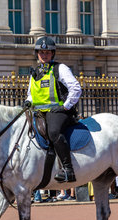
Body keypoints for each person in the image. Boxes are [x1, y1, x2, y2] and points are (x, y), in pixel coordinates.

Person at [23, 36, 82, 182]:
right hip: (38, 112)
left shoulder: (60, 68)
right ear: (37, 53)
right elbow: (31, 94)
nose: (44, 55)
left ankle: (68, 170)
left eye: (47, 53)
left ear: (52, 54)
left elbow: (75, 88)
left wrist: (65, 106)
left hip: (58, 111)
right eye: (41, 52)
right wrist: (27, 103)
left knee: (54, 132)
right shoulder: (34, 72)